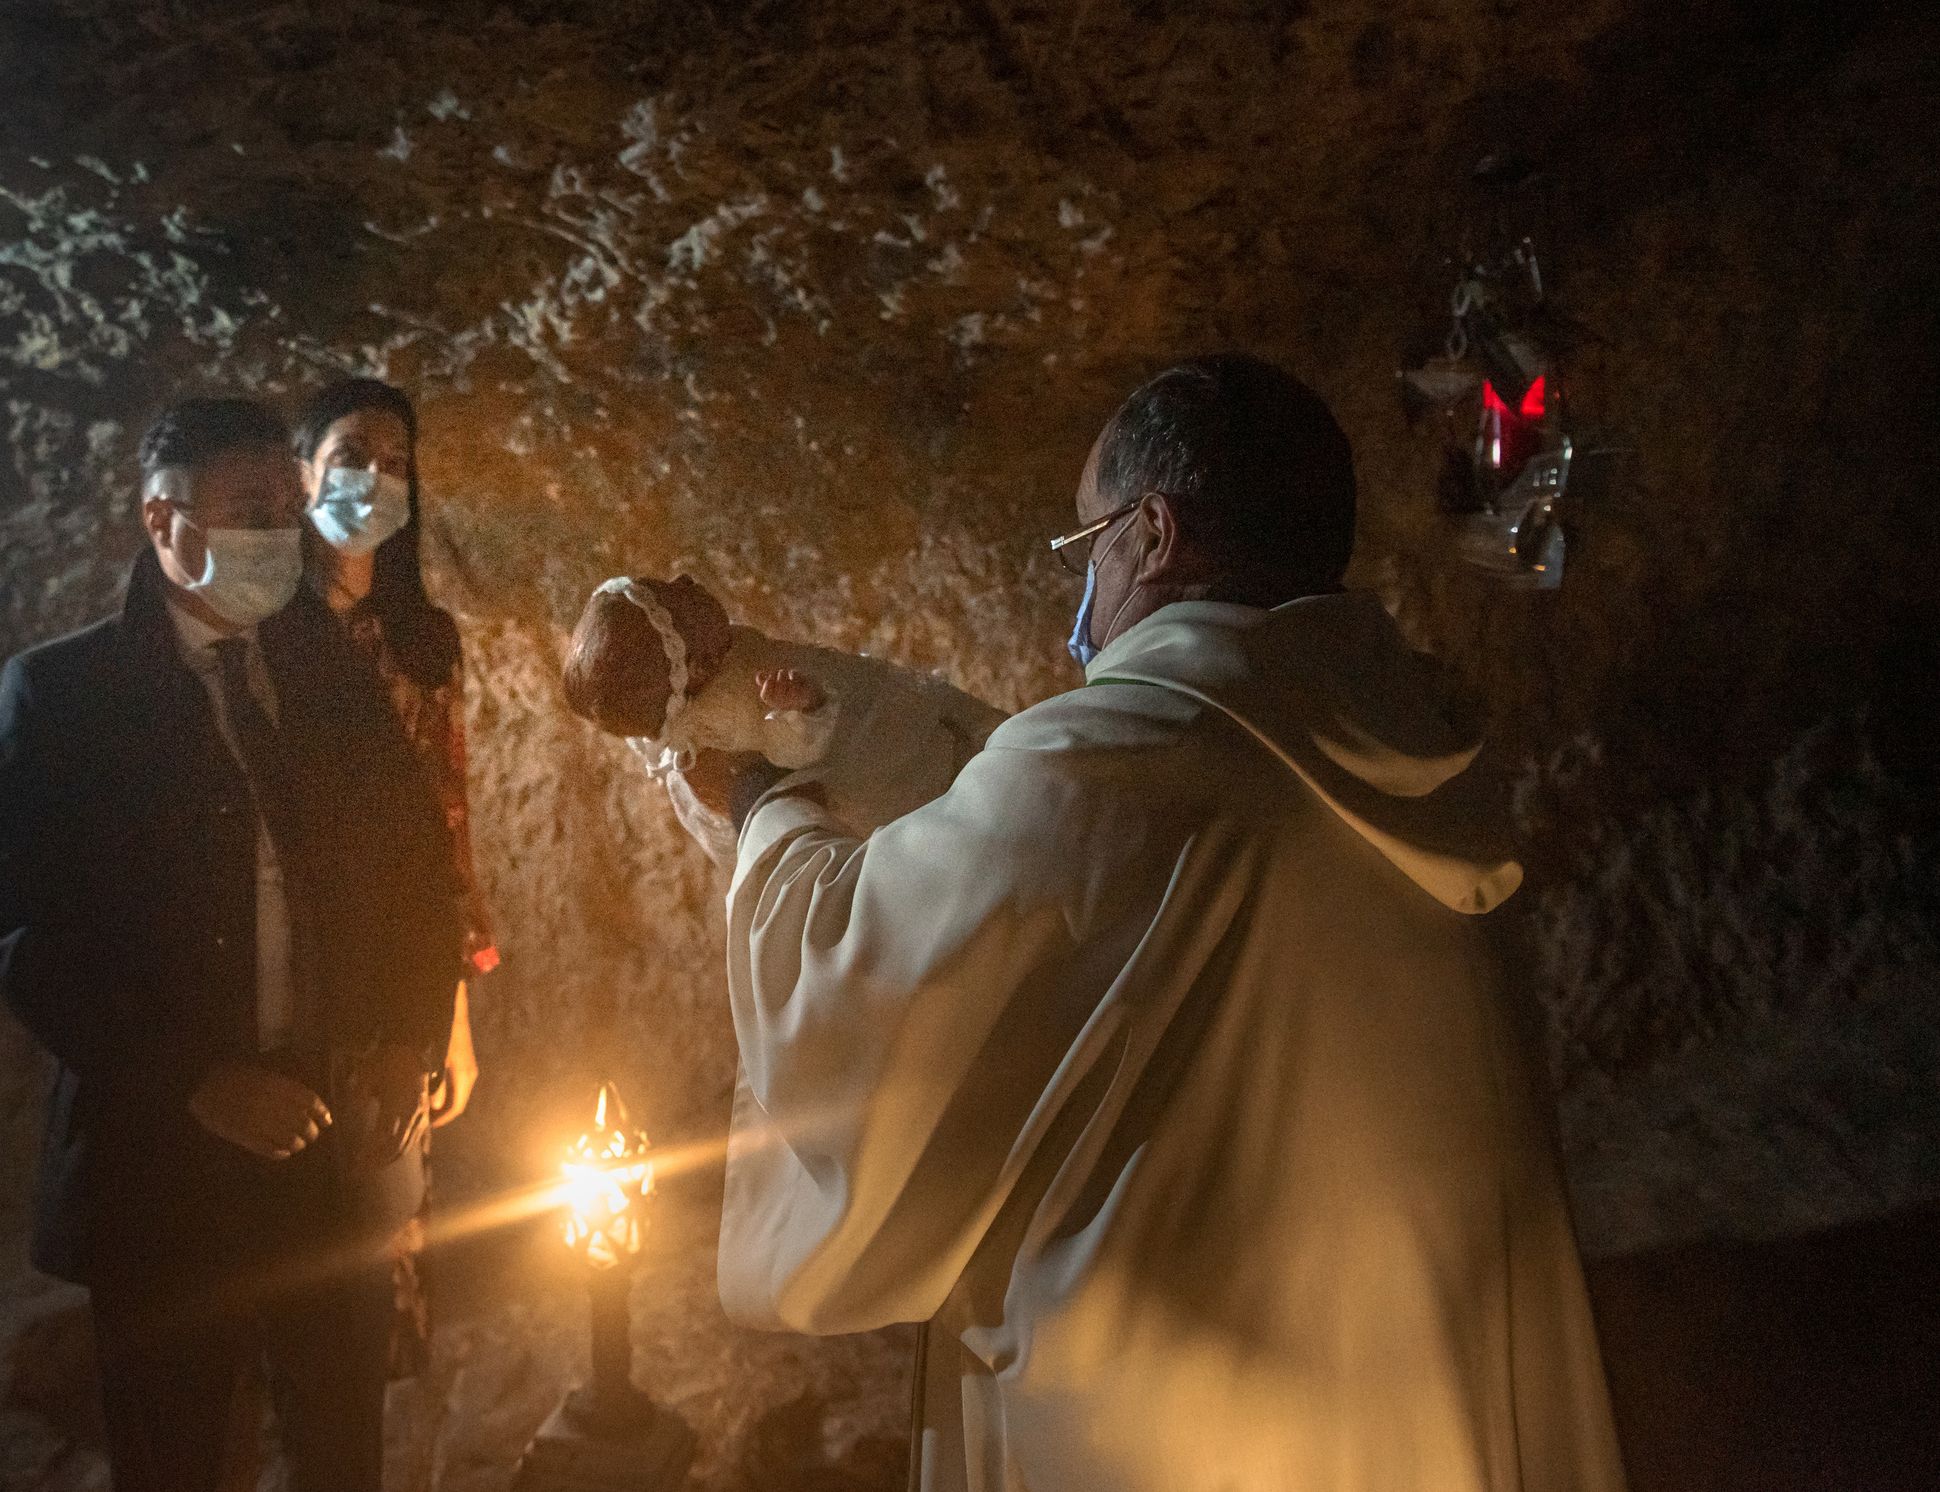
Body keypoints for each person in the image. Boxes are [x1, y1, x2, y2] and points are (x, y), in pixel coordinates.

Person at [689, 355, 1625, 1492]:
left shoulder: (1111, 755)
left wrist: (764, 809)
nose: (1081, 593)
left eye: (1085, 548)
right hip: (1404, 1411)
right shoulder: (1420, 750)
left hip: (1172, 1425)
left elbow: (851, 1001)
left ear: (1152, 531)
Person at [0, 396, 465, 1492]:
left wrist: (402, 1038)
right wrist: (196, 1077)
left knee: (343, 1448)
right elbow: (24, 931)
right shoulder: (65, 698)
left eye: (286, 511)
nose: (280, 536)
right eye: (251, 511)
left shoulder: (331, 675)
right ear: (164, 521)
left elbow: (416, 881)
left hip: (331, 1145)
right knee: (182, 1453)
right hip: (165, 1165)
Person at [293, 374, 496, 1380]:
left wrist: (448, 1006)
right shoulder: (269, 637)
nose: (373, 478)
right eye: (350, 456)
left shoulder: (424, 641)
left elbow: (444, 827)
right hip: (294, 963)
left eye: (396, 462)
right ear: (304, 472)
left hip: (398, 966)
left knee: (388, 1217)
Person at [561, 573, 1005, 864]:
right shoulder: (729, 714)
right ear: (695, 664)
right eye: (675, 597)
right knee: (966, 775)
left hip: (875, 722)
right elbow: (794, 756)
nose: (685, 579)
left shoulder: (707, 692)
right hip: (891, 773)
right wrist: (804, 708)